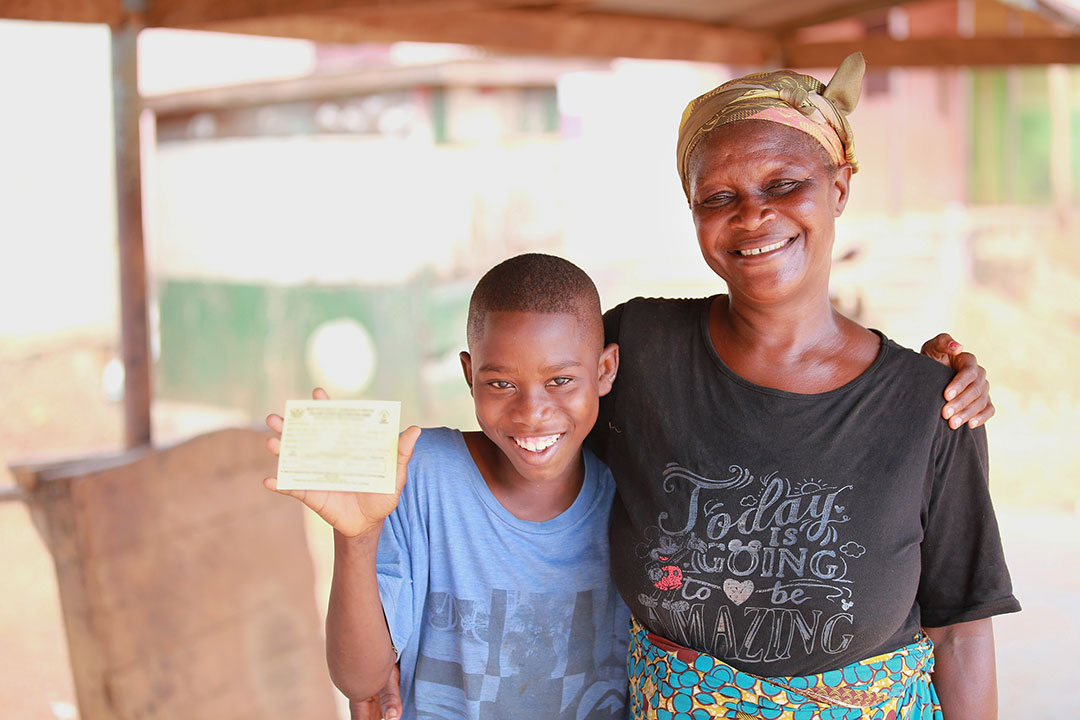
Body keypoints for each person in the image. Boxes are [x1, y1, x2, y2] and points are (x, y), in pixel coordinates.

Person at [592, 53, 1020, 718]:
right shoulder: (638, 350)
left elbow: (962, 630)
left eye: (784, 184)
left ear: (840, 187)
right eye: (719, 197)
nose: (753, 216)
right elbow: (526, 427)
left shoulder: (929, 404)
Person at [265, 254, 632, 719]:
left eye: (560, 380)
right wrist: (356, 537)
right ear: (468, 375)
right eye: (500, 383)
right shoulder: (420, 477)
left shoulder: (630, 491)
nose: (531, 412)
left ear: (604, 371)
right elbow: (359, 680)